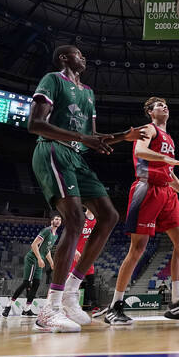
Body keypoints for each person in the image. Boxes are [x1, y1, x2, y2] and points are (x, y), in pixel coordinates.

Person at [28, 44, 146, 332]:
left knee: (109, 216)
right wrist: (83, 138)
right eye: (79, 53)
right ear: (64, 58)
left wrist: (123, 136)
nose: (85, 57)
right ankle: (49, 308)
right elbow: (35, 124)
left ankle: (70, 294)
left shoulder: (89, 92)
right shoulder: (53, 79)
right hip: (52, 151)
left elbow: (92, 137)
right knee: (76, 220)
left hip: (76, 156)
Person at [104, 97, 179, 325]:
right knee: (138, 248)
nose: (165, 106)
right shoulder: (147, 130)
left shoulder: (169, 138)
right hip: (146, 188)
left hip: (166, 193)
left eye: (165, 104)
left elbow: (169, 174)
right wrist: (165, 158)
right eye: (159, 105)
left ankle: (177, 303)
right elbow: (140, 152)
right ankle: (116, 305)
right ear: (150, 112)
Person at [2, 216, 60, 318]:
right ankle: (8, 306)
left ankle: (26, 309)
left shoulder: (55, 236)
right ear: (52, 221)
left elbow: (47, 250)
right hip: (33, 258)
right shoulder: (46, 230)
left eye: (59, 220)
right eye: (56, 219)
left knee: (36, 283)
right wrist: (39, 258)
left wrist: (51, 262)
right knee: (26, 283)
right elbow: (34, 245)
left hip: (40, 260)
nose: (58, 221)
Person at [72, 207, 99, 312]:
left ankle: (95, 306)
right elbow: (72, 234)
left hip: (88, 255)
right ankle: (68, 305)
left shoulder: (96, 220)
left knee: (91, 280)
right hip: (76, 254)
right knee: (73, 281)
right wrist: (74, 250)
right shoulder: (80, 217)